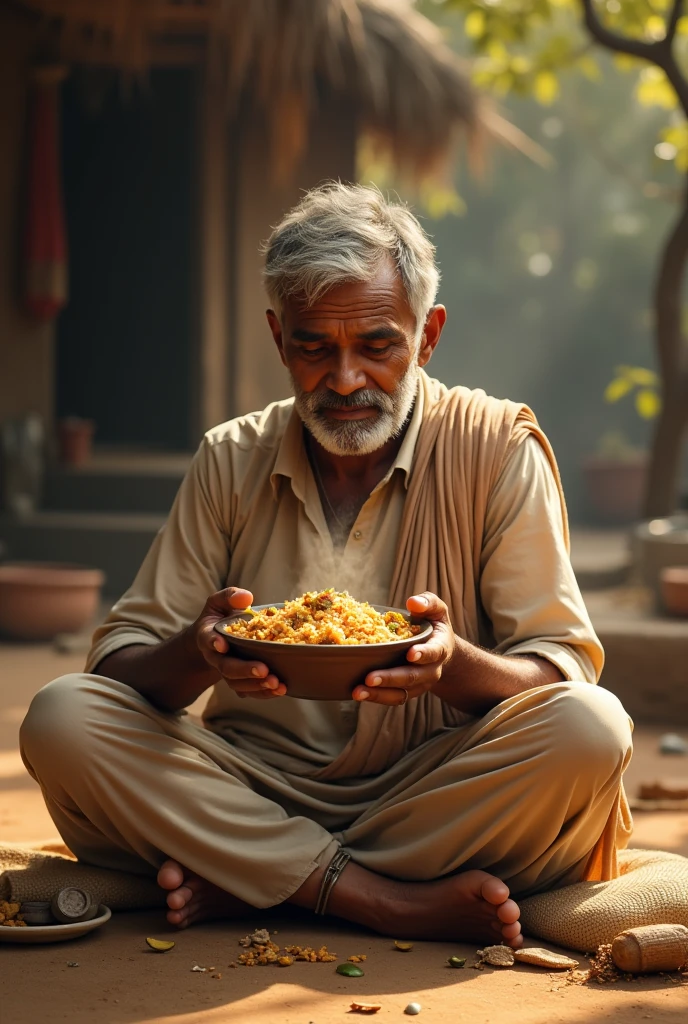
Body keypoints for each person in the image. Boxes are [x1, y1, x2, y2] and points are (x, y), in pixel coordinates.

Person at [20, 183, 632, 947]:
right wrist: (201, 652)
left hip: (432, 789)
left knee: (591, 729)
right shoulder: (230, 458)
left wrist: (449, 667)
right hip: (247, 784)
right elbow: (117, 670)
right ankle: (380, 899)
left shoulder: (497, 450)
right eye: (315, 348)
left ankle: (259, 877)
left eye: (377, 346)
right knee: (62, 717)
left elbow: (561, 669)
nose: (344, 381)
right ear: (280, 340)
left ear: (428, 335)